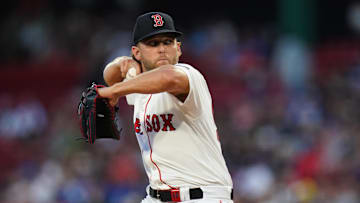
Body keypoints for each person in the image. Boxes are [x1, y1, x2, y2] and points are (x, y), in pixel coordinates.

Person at [98, 11, 233, 203]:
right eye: (153, 44)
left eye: (168, 42)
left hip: (201, 196)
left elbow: (167, 77)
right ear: (137, 52)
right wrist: (122, 63)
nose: (162, 49)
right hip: (156, 196)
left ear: (178, 49)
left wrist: (114, 92)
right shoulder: (140, 84)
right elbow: (109, 75)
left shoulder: (188, 76)